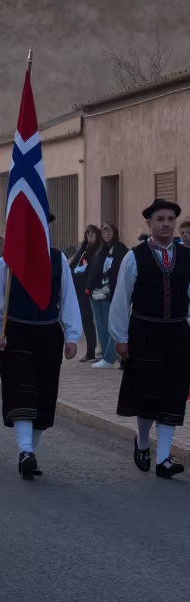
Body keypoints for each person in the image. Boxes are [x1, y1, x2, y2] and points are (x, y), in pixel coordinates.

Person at [0, 212, 81, 481]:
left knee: (44, 395)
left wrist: (72, 335)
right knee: (21, 392)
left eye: (44, 225)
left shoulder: (58, 259)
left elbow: (68, 298)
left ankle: (29, 452)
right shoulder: (8, 261)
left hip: (49, 333)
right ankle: (25, 450)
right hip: (16, 332)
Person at [109, 198, 190, 479]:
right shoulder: (135, 256)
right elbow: (121, 299)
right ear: (150, 223)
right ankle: (142, 441)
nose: (166, 224)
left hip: (178, 333)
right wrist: (120, 337)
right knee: (147, 394)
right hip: (144, 332)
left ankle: (164, 457)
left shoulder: (187, 256)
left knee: (173, 394)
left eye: (170, 219)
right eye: (160, 219)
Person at [88, 223, 126, 370]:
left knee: (112, 327)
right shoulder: (101, 250)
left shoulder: (120, 250)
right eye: (103, 231)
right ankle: (105, 354)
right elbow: (94, 270)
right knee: (101, 326)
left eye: (108, 230)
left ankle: (110, 357)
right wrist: (89, 288)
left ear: (114, 232)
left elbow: (119, 272)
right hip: (96, 293)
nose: (106, 234)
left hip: (112, 294)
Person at [70, 226, 102, 361]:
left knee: (93, 320)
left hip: (89, 289)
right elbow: (73, 265)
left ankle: (97, 351)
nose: (90, 236)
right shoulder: (85, 250)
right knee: (85, 320)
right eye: (88, 234)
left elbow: (94, 269)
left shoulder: (97, 251)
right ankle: (90, 351)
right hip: (79, 289)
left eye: (93, 234)